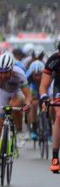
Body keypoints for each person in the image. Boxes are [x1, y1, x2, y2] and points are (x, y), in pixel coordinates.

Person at [0, 52, 32, 177]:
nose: (3, 75)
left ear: (11, 70)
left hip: (17, 91)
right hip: (1, 93)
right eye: (1, 72)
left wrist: (28, 104)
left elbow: (28, 95)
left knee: (14, 105)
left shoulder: (19, 73)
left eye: (6, 72)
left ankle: (19, 131)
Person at [39, 44, 60, 172]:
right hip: (59, 87)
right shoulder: (54, 60)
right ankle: (55, 157)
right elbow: (43, 86)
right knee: (59, 116)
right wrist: (45, 98)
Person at [25, 60, 46, 140]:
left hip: (44, 87)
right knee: (33, 104)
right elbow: (25, 89)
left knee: (49, 106)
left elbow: (50, 89)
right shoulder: (28, 76)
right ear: (32, 73)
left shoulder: (47, 75)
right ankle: (34, 129)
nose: (37, 77)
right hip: (33, 87)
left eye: (39, 75)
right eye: (35, 75)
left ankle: (49, 130)